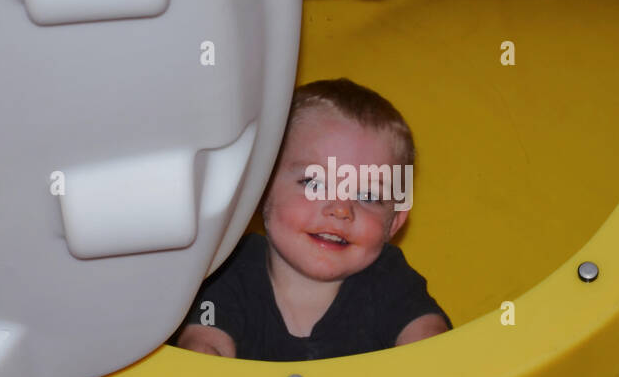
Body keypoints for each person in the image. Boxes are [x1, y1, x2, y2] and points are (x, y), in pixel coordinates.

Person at [173, 78, 450, 361]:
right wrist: (205, 352)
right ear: (260, 190)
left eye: (368, 195)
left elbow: (430, 344)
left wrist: (429, 357)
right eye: (314, 183)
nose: (341, 209)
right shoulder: (228, 268)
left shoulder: (389, 279)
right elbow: (202, 348)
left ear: (394, 222)